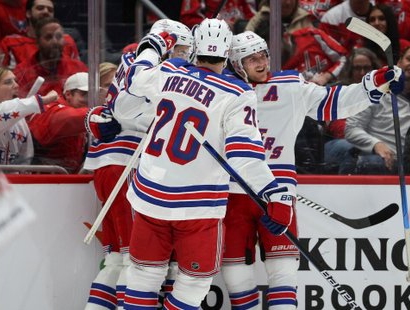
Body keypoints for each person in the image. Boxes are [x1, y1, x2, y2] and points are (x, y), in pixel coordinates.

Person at [120, 18, 294, 310]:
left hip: (149, 196)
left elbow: (135, 79)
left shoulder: (170, 70)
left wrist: (153, 45)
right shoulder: (238, 93)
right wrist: (274, 193)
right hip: (197, 206)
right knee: (194, 284)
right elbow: (244, 156)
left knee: (142, 278)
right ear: (227, 52)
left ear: (195, 47)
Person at [223, 31, 402, 309]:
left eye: (263, 56)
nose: (261, 64)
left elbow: (334, 102)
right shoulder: (222, 90)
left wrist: (373, 84)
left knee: (283, 271)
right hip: (234, 192)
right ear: (235, 63)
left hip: (278, 192)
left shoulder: (289, 86)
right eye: (251, 59)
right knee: (235, 275)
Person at [83, 19, 194, 310]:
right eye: (180, 48)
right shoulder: (154, 70)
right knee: (137, 258)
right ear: (166, 44)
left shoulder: (132, 60)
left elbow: (116, 110)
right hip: (129, 165)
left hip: (106, 164)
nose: (185, 56)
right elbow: (132, 112)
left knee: (119, 257)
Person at [345, 45, 410, 174]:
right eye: (409, 59)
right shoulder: (376, 92)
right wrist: (376, 144)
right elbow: (351, 128)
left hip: (409, 164)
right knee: (371, 163)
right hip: (381, 161)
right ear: (398, 62)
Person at [0, 66, 58, 165]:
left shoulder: (20, 120)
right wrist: (40, 100)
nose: (16, 85)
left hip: (12, 179)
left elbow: (26, 159)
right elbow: (0, 111)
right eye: (8, 82)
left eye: (15, 81)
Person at [28, 72, 90, 173]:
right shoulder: (52, 109)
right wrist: (100, 111)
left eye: (92, 95)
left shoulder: (79, 110)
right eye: (84, 94)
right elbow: (67, 119)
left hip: (66, 177)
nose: (88, 99)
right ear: (68, 94)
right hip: (44, 180)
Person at [13, 17, 87, 97]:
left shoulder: (78, 68)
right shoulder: (22, 72)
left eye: (58, 37)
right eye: (48, 37)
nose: (55, 42)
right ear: (37, 42)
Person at [0, 0, 80, 69]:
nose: (46, 12)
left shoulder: (67, 41)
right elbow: (2, 78)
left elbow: (78, 72)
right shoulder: (10, 43)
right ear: (28, 13)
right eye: (40, 8)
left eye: (50, 10)